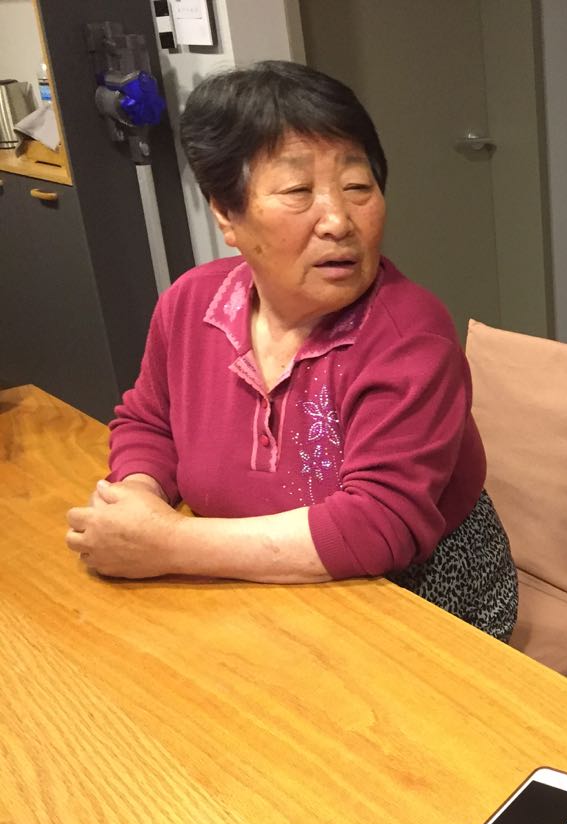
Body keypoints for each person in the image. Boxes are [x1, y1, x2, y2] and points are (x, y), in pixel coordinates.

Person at [64, 61, 517, 641]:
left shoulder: (409, 335)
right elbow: (151, 422)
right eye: (299, 192)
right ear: (226, 213)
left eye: (358, 187)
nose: (339, 221)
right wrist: (137, 498)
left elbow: (380, 523)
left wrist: (168, 544)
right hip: (243, 583)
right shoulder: (191, 303)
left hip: (410, 594)